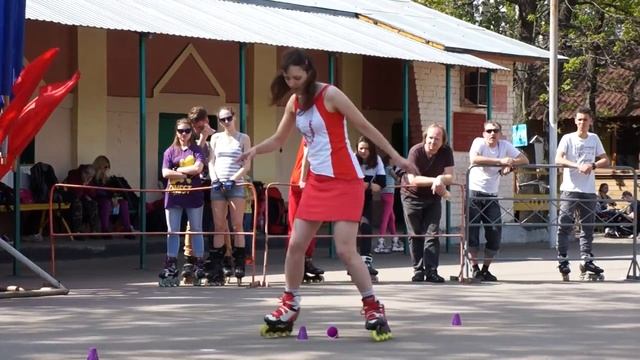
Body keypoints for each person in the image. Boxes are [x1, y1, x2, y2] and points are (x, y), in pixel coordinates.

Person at [239, 48, 416, 340]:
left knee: (346, 249)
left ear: (309, 72)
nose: (293, 83)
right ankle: (290, 305)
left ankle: (373, 307)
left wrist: (396, 157)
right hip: (318, 182)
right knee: (295, 245)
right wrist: (254, 151)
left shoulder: (331, 95)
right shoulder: (294, 103)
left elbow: (364, 125)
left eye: (298, 77)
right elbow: (279, 139)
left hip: (346, 181)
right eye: (288, 78)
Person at [468, 121, 529, 281]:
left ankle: (485, 269)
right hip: (474, 195)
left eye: (495, 131)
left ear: (500, 133)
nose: (492, 134)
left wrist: (510, 164)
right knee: (472, 234)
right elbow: (475, 159)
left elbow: (524, 160)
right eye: (489, 131)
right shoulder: (478, 142)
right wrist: (501, 162)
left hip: (491, 196)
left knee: (495, 233)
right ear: (484, 133)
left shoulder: (505, 145)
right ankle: (474, 268)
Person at [555, 107, 609, 281]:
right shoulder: (567, 138)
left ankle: (586, 259)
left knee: (587, 228)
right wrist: (576, 165)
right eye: (579, 120)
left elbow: (605, 159)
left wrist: (592, 165)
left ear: (590, 121)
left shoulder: (594, 138)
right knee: (564, 224)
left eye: (585, 120)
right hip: (570, 189)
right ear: (575, 121)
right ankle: (563, 259)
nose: (582, 123)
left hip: (588, 190)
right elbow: (558, 159)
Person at [401, 124, 454, 283]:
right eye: (430, 138)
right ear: (425, 138)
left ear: (443, 141)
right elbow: (413, 180)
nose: (433, 142)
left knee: (432, 234)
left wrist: (441, 179)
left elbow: (451, 176)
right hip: (411, 196)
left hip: (432, 197)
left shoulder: (446, 151)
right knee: (416, 234)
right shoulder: (415, 151)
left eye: (437, 139)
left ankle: (432, 271)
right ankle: (418, 271)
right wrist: (436, 179)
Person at [205, 106, 251, 286]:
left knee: (237, 224)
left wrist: (233, 179)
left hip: (235, 185)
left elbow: (246, 165)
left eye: (228, 118)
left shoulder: (243, 138)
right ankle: (217, 266)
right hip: (218, 185)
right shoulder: (215, 138)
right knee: (219, 225)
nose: (225, 122)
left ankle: (239, 263)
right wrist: (215, 179)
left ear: (234, 117)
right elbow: (211, 161)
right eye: (222, 119)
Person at [158, 118, 206, 287]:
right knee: (172, 231)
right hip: (173, 196)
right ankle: (170, 265)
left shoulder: (197, 150)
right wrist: (186, 175)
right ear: (176, 132)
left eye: (187, 130)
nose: (184, 134)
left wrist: (177, 170)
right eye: (180, 131)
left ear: (191, 132)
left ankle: (199, 264)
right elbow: (164, 172)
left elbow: (198, 168)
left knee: (196, 230)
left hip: (193, 196)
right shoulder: (170, 151)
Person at [183, 106, 215, 271]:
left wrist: (208, 136)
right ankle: (191, 257)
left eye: (200, 124)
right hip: (196, 184)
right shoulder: (188, 137)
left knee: (217, 221)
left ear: (206, 120)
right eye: (194, 125)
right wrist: (202, 138)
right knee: (193, 223)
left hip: (212, 183)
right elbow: (191, 158)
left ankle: (220, 256)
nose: (197, 128)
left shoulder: (215, 136)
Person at [288, 139, 324, 282]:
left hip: (305, 180)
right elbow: (307, 155)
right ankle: (302, 260)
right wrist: (303, 179)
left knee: (301, 224)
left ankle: (304, 259)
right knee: (306, 224)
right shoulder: (313, 130)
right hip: (305, 181)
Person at [355, 136, 386, 280]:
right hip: (350, 200)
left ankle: (366, 262)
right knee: (354, 230)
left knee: (366, 228)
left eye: (366, 148)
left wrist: (367, 186)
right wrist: (367, 185)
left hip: (366, 199)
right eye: (361, 148)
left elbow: (381, 182)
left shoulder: (377, 160)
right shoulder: (353, 159)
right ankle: (353, 264)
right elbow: (353, 182)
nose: (363, 151)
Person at [91, 155, 133, 237]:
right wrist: (110, 197)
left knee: (124, 203)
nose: (107, 169)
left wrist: (115, 198)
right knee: (106, 203)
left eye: (108, 167)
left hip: (111, 199)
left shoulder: (108, 179)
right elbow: (97, 192)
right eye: (105, 167)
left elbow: (113, 191)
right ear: (100, 166)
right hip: (99, 200)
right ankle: (105, 230)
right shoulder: (93, 178)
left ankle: (127, 229)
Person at [374, 155, 402, 254]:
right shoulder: (390, 169)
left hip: (383, 194)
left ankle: (395, 239)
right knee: (386, 218)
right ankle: (380, 241)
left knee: (391, 218)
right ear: (390, 160)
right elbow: (397, 179)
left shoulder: (383, 169)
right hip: (389, 194)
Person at [63, 164, 99, 237]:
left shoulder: (89, 178)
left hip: (81, 198)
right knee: (77, 203)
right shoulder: (73, 175)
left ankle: (94, 231)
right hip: (69, 199)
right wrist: (83, 185)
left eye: (92, 177)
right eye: (88, 175)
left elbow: (93, 194)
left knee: (93, 203)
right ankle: (77, 231)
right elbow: (76, 194)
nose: (89, 178)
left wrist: (88, 187)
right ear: (83, 172)